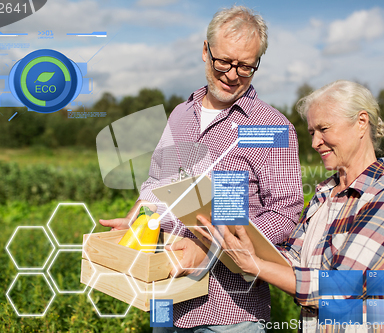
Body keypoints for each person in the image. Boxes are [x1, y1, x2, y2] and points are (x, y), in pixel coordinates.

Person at [99, 5, 304, 332]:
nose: (233, 74)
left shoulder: (271, 127)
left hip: (228, 313)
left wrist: (212, 244)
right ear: (205, 50)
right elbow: (156, 182)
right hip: (165, 298)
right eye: (224, 61)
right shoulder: (180, 115)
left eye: (246, 66)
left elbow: (286, 209)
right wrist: (136, 220)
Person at [195, 80, 384, 332]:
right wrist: (241, 244)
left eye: (324, 129)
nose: (315, 142)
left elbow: (344, 289)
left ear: (361, 122)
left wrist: (255, 265)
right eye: (311, 132)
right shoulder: (324, 195)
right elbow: (292, 259)